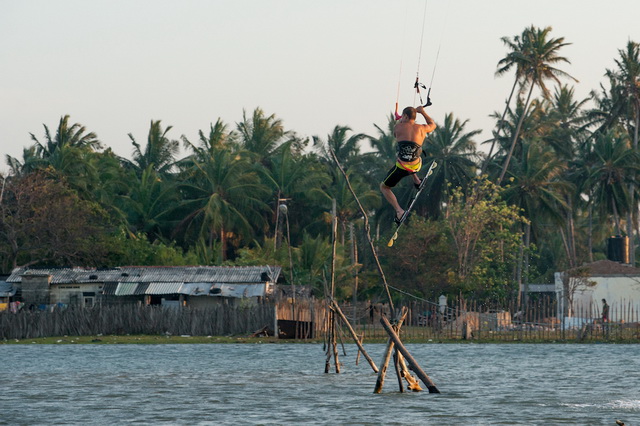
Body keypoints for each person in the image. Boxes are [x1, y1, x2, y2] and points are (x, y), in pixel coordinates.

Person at [380, 105, 437, 223]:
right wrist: (423, 112)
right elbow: (433, 124)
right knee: (413, 154)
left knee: (384, 187)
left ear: (405, 116)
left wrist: (401, 121)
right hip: (417, 165)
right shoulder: (422, 128)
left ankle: (399, 211)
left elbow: (396, 134)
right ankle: (417, 180)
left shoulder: (398, 127)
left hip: (402, 167)